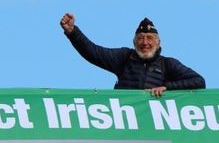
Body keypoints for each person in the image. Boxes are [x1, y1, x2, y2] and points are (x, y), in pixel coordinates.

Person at [60, 13, 205, 97]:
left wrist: (167, 87)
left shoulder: (168, 64)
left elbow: (198, 81)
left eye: (149, 38)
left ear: (158, 43)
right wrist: (72, 31)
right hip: (125, 123)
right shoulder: (124, 57)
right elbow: (93, 52)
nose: (145, 42)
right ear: (134, 42)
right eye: (140, 38)